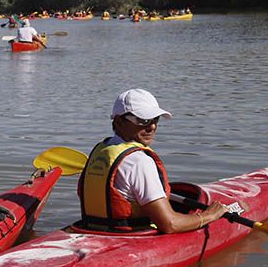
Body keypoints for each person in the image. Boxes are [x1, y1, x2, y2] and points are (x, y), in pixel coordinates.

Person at [78, 89, 227, 234]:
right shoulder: (139, 161)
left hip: (92, 229)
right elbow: (170, 224)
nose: (152, 126)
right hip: (128, 237)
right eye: (142, 120)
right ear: (118, 121)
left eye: (156, 119)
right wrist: (209, 216)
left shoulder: (101, 150)